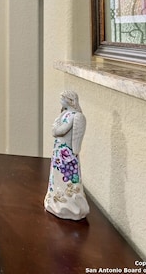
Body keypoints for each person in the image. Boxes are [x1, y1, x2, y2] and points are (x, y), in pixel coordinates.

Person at [44, 90, 90, 220]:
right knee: (56, 176)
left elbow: (59, 130)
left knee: (68, 177)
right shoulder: (64, 114)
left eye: (62, 98)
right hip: (59, 152)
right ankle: (56, 200)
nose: (61, 100)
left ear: (69, 100)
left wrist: (58, 127)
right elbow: (55, 131)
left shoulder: (76, 117)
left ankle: (70, 204)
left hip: (68, 154)